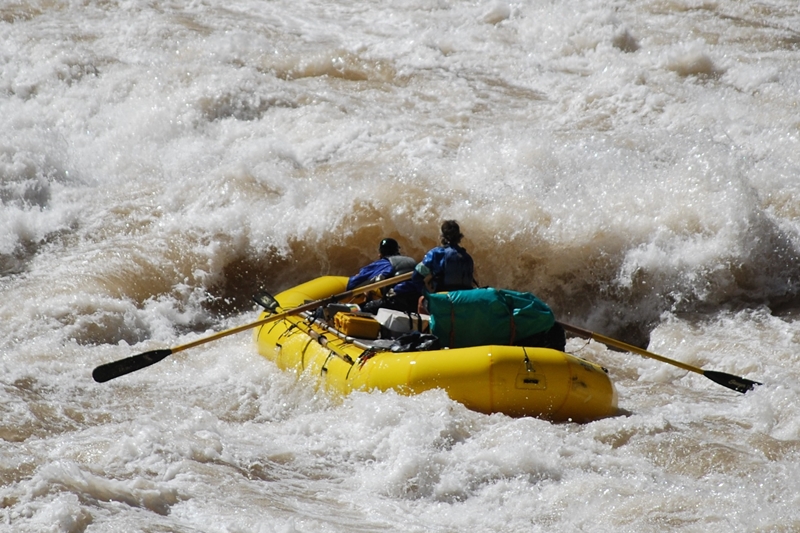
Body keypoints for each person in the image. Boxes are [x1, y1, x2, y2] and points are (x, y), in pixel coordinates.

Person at [347, 238, 421, 314]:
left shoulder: (384, 263)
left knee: (366, 307)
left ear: (380, 253)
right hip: (416, 303)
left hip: (396, 302)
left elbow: (354, 283)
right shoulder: (411, 261)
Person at [413, 220, 476, 293]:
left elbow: (416, 276)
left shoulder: (436, 253)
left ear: (442, 236)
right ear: (459, 236)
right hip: (465, 298)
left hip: (444, 298)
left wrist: (426, 294)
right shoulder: (467, 257)